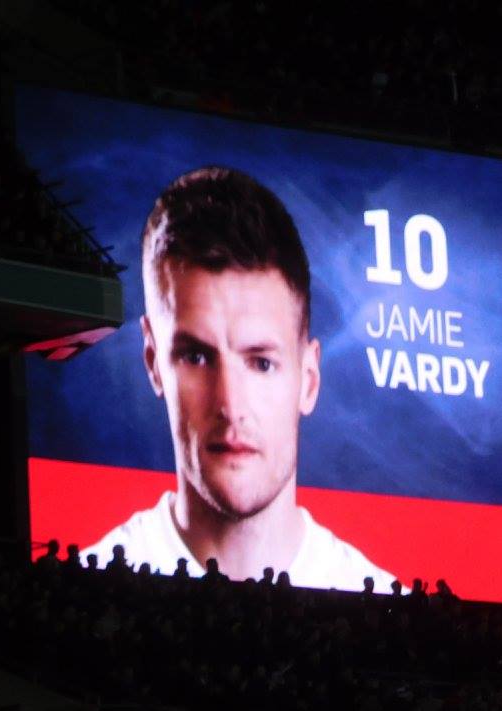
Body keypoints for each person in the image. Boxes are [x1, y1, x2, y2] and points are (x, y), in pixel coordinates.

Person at [82, 167, 394, 591]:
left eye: (261, 363)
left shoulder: (379, 596)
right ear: (153, 361)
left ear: (309, 380)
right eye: (196, 357)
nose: (230, 405)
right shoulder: (87, 585)